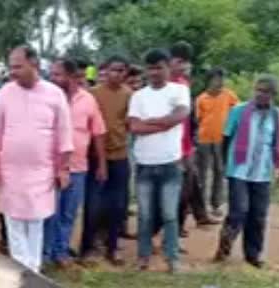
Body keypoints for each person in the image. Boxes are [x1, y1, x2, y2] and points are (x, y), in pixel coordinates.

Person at [0, 46, 73, 273]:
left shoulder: (54, 94)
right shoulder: (4, 93)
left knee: (35, 222)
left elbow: (64, 136)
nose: (12, 72)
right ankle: (20, 272)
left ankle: (33, 271)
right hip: (10, 171)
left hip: (42, 171)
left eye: (17, 66)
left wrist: (63, 169)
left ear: (34, 64)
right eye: (11, 67)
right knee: (14, 222)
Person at [128, 49, 190, 273]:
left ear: (168, 68)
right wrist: (165, 123)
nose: (154, 72)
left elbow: (181, 116)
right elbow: (134, 127)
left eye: (159, 67)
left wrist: (153, 123)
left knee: (170, 214)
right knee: (145, 215)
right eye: (151, 68)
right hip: (145, 163)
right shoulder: (138, 96)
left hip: (170, 163)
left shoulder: (179, 90)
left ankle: (171, 258)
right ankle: (143, 256)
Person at [214, 76, 279, 268]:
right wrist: (225, 166)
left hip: (262, 172)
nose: (261, 94)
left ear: (273, 95)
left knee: (258, 214)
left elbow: (278, 143)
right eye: (258, 90)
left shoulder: (277, 115)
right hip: (239, 170)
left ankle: (253, 255)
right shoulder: (238, 111)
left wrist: (278, 167)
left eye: (266, 91)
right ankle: (224, 248)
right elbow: (226, 139)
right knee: (238, 211)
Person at [45, 59, 106, 268]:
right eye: (51, 74)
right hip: (50, 166)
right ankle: (45, 253)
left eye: (57, 74)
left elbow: (98, 132)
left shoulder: (88, 100)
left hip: (78, 167)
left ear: (71, 77)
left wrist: (101, 164)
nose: (52, 79)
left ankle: (60, 252)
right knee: (49, 212)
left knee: (68, 212)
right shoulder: (46, 99)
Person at [84, 55, 131, 265]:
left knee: (118, 205)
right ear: (106, 71)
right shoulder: (93, 94)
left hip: (120, 156)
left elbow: (129, 123)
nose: (117, 74)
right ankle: (87, 247)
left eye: (122, 70)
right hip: (95, 157)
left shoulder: (130, 94)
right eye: (114, 70)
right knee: (93, 205)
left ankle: (113, 248)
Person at [170, 41, 218, 235]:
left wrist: (191, 141)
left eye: (186, 62)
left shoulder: (184, 83)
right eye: (180, 62)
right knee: (181, 188)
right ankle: (175, 226)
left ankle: (199, 216)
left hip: (186, 142)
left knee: (192, 180)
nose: (184, 66)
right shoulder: (166, 85)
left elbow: (188, 118)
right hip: (173, 145)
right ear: (172, 61)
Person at [196, 68, 239, 217]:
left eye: (222, 79)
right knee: (201, 172)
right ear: (209, 81)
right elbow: (198, 119)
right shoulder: (201, 98)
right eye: (216, 79)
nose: (220, 82)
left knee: (219, 171)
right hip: (204, 139)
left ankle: (216, 204)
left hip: (222, 139)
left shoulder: (229, 95)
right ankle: (200, 205)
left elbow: (237, 113)